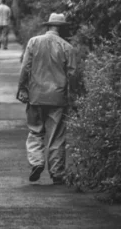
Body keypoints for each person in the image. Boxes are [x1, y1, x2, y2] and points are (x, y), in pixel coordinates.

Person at [16, 13, 76, 184]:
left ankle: (37, 161)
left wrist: (22, 88)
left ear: (48, 26)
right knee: (57, 136)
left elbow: (25, 67)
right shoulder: (67, 48)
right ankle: (57, 173)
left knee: (35, 131)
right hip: (58, 97)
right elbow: (72, 76)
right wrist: (73, 97)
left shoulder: (34, 42)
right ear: (62, 28)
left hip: (36, 95)